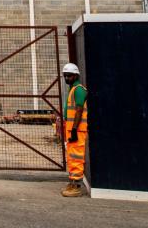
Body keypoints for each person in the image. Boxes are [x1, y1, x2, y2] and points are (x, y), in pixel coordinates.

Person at [61, 62, 87, 197]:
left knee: (76, 157)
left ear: (76, 76)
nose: (67, 78)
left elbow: (79, 110)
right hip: (71, 129)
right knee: (71, 157)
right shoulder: (73, 89)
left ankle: (76, 186)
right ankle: (72, 182)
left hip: (77, 129)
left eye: (69, 76)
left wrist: (75, 130)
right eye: (65, 76)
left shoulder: (79, 90)